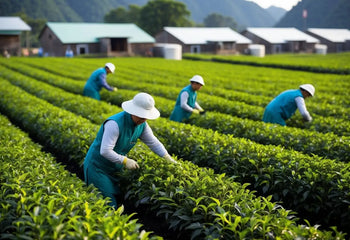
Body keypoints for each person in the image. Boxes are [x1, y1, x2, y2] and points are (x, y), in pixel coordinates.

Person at [83, 92, 177, 207]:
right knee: (107, 204)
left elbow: (153, 142)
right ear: (133, 111)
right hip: (98, 167)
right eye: (141, 116)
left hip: (114, 167)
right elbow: (105, 151)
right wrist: (125, 161)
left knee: (116, 198)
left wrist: (167, 157)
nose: (144, 119)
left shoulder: (142, 125)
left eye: (146, 116)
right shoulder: (114, 124)